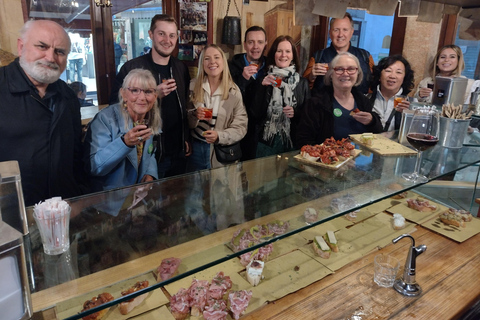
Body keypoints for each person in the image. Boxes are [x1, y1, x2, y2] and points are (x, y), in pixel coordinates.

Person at [0, 20, 85, 207]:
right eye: (42, 46)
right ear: (21, 47)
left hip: (63, 210)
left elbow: (75, 155)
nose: (50, 57)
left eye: (60, 52)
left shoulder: (68, 96)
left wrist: (78, 195)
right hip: (11, 217)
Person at [110, 14, 191, 179]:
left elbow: (184, 105)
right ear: (150, 34)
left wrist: (186, 136)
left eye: (172, 35)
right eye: (161, 34)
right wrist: (153, 96)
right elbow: (115, 108)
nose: (167, 40)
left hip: (179, 152)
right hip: (148, 154)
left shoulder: (180, 67)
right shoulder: (131, 68)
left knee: (177, 202)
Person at [84, 69, 161, 192]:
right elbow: (95, 167)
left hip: (138, 198)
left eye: (148, 92)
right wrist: (124, 143)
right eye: (135, 90)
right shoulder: (105, 119)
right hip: (109, 200)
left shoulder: (150, 117)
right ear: (123, 94)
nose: (142, 97)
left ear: (155, 96)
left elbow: (150, 151)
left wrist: (150, 173)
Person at [297, 52, 382, 147]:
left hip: (360, 159)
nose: (345, 73)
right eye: (339, 69)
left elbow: (378, 135)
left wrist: (372, 121)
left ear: (358, 74)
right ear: (331, 74)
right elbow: (303, 141)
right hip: (329, 160)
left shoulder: (363, 101)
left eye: (351, 69)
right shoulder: (316, 103)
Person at [186, 44, 247, 170]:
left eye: (216, 57)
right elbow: (185, 120)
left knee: (218, 188)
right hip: (196, 148)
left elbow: (241, 127)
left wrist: (219, 136)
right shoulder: (192, 86)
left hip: (221, 150)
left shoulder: (233, 91)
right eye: (207, 58)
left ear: (223, 62)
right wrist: (194, 115)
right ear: (202, 63)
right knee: (196, 188)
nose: (212, 62)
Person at [252, 35, 310, 158]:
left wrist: (296, 113)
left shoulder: (302, 83)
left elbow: (308, 116)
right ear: (274, 54)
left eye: (288, 51)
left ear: (293, 55)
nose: (284, 55)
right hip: (266, 141)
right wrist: (262, 88)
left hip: (292, 141)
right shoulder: (262, 80)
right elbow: (254, 114)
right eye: (279, 51)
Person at [303, 13, 374, 94]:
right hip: (324, 105)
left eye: (345, 30)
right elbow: (303, 88)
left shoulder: (365, 57)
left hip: (358, 105)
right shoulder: (318, 57)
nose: (340, 35)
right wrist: (311, 77)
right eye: (336, 30)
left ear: (351, 32)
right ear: (330, 33)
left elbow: (373, 87)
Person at [229, 26, 268, 160]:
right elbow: (228, 100)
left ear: (265, 44)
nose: (255, 47)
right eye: (251, 42)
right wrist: (243, 79)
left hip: (264, 133)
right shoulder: (231, 67)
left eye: (260, 42)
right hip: (239, 130)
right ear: (245, 45)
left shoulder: (271, 67)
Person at [369, 55, 415, 131]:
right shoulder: (365, 99)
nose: (392, 76)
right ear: (379, 75)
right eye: (388, 71)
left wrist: (408, 116)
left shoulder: (412, 104)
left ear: (404, 78)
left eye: (399, 72)